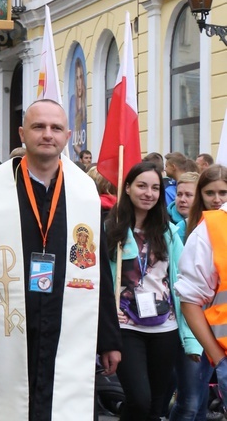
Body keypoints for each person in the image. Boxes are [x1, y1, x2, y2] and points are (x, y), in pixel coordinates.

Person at [0, 99, 120, 420]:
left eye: (56, 128)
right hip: (7, 328)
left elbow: (97, 269)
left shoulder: (84, 191)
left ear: (67, 135)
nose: (48, 134)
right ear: (22, 133)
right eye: (38, 127)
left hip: (67, 328)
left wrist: (109, 338)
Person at [106, 161, 196, 421]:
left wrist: (189, 336)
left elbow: (184, 278)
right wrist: (108, 316)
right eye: (142, 186)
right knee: (139, 400)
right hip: (127, 327)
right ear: (128, 188)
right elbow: (97, 279)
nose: (149, 193)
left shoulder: (168, 231)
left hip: (164, 328)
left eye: (155, 188)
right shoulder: (110, 228)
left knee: (156, 406)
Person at [175, 165, 227, 413]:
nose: (217, 199)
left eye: (223, 192)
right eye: (210, 192)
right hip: (213, 344)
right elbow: (188, 298)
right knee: (191, 402)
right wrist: (218, 358)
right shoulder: (209, 230)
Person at [167, 172, 199, 242]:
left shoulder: (204, 223)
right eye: (179, 194)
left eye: (188, 195)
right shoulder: (163, 221)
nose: (182, 199)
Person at [69, 58, 87, 159]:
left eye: (81, 77)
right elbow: (71, 135)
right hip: (75, 158)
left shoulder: (85, 102)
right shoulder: (72, 101)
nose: (79, 82)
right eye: (77, 78)